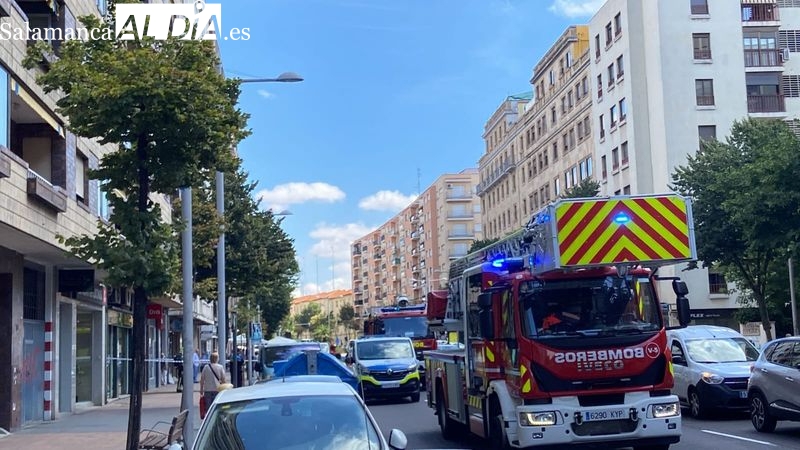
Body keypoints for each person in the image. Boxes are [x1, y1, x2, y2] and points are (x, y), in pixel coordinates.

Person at [200, 352, 226, 419]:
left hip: (207, 390)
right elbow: (223, 379)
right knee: (216, 407)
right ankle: (215, 419)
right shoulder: (220, 367)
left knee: (208, 408)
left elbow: (202, 379)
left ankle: (209, 419)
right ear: (217, 359)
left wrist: (201, 390)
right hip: (217, 390)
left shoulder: (206, 367)